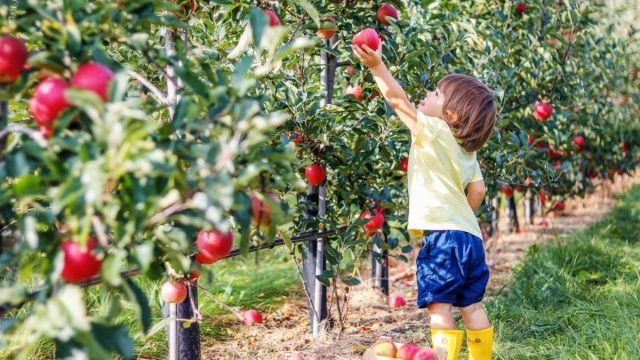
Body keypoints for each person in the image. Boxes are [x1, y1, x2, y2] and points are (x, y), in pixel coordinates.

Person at [354, 42, 497, 360]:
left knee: (439, 306)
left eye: (436, 93)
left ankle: (442, 357)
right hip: (470, 238)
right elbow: (478, 192)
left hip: (443, 238)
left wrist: (377, 66)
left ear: (453, 114)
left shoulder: (432, 131)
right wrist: (462, 216)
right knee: (471, 305)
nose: (428, 94)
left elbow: (398, 101)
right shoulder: (468, 151)